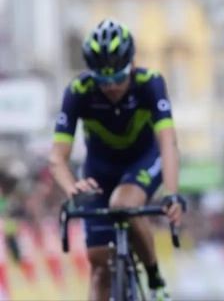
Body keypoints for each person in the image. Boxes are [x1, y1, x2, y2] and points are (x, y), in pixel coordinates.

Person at [49, 19, 186, 301]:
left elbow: (168, 144)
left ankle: (155, 279)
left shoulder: (150, 83)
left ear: (132, 64)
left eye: (118, 78)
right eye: (102, 80)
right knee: (99, 264)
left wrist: (171, 193)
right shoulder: (78, 91)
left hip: (144, 160)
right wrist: (72, 187)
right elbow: (57, 158)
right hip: (99, 171)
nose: (110, 86)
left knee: (123, 203)